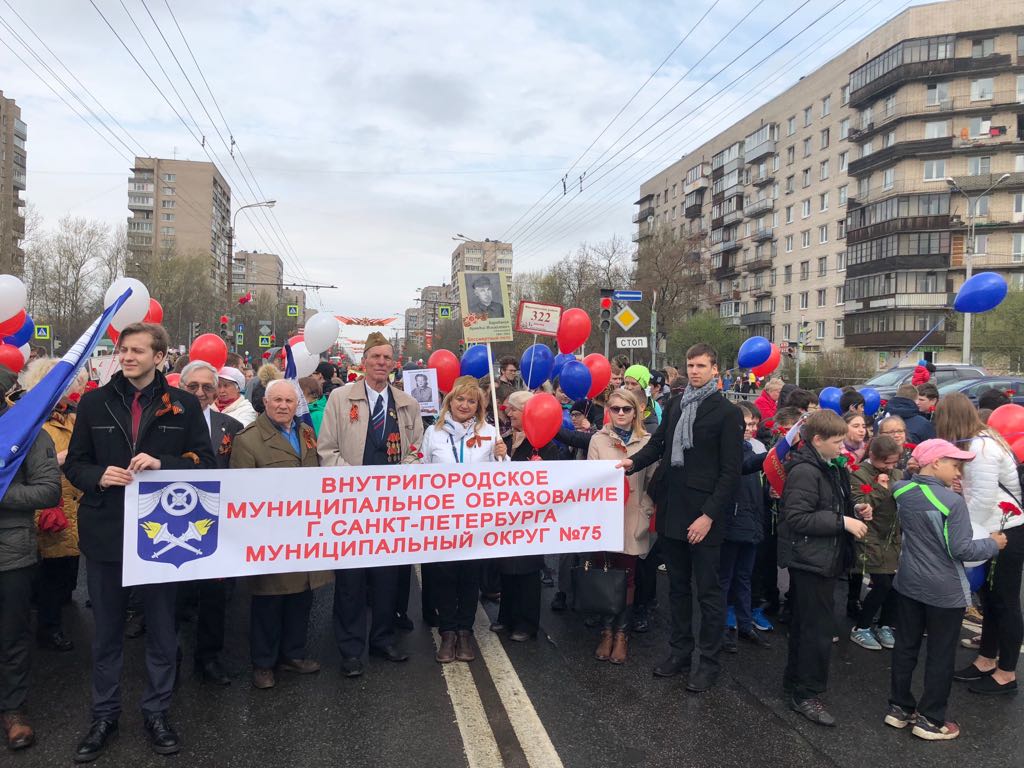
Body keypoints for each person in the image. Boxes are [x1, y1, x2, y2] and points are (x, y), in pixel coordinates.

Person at [64, 323, 215, 761]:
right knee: (108, 632)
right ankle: (104, 716)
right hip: (106, 530)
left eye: (137, 350)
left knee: (162, 630)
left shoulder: (183, 404)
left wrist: (163, 463)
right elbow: (75, 464)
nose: (128, 356)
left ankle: (157, 711)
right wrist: (99, 476)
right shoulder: (94, 402)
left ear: (159, 357)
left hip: (164, 535)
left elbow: (206, 463)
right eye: (124, 349)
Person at [618, 343, 744, 693]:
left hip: (704, 518)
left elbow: (731, 472)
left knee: (708, 593)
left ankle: (708, 662)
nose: (694, 371)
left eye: (701, 365)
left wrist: (708, 516)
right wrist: (631, 464)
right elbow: (658, 444)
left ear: (715, 369)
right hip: (673, 511)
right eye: (690, 365)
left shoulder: (726, 412)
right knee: (677, 588)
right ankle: (680, 652)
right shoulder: (676, 404)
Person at [317, 332, 423, 677]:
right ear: (364, 361)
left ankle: (382, 639)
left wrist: (400, 477)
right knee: (350, 581)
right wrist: (357, 482)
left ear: (393, 364)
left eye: (386, 357)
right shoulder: (340, 398)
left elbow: (417, 450)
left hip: (392, 505)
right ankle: (350, 650)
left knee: (387, 577)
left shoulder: (407, 403)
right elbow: (327, 450)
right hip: (352, 504)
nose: (381, 362)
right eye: (375, 356)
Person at [886, 439, 1004, 740]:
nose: (958, 472)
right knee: (940, 654)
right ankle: (930, 719)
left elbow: (904, 482)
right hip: (944, 590)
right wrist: (993, 543)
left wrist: (912, 470)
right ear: (936, 462)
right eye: (954, 465)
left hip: (908, 583)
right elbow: (962, 549)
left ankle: (899, 708)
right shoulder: (952, 502)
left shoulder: (901, 490)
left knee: (905, 646)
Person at [230, 379, 331, 690]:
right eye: (277, 400)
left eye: (289, 401)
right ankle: (263, 664)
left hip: (305, 533)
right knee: (269, 602)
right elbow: (241, 493)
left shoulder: (306, 432)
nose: (283, 406)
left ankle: (292, 654)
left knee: (301, 598)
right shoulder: (248, 440)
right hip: (270, 535)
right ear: (265, 402)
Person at [778, 409, 869, 726]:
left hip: (823, 558)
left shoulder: (831, 465)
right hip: (811, 561)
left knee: (809, 627)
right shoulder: (806, 471)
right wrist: (843, 522)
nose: (843, 447)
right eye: (837, 441)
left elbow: (835, 502)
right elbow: (797, 517)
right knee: (815, 631)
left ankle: (796, 685)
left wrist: (855, 508)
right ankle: (806, 693)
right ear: (817, 440)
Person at [935, 394, 1024, 695]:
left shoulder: (980, 447)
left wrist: (963, 535)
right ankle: (987, 659)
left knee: (1005, 603)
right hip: (993, 528)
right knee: (990, 600)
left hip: (1003, 531)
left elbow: (983, 503)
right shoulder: (982, 440)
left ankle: (1006, 673)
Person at [420, 377, 507, 663]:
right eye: (460, 399)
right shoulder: (433, 432)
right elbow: (422, 471)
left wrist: (503, 457)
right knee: (444, 576)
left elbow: (505, 478)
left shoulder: (490, 433)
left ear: (479, 406)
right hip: (442, 519)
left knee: (470, 577)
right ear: (450, 401)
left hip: (475, 520)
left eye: (472, 401)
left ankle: (464, 632)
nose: (465, 405)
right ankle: (447, 633)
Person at [0, 364, 61, 751]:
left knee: (12, 636)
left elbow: (48, 491)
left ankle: (14, 709)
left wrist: (2, 492)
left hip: (10, 554)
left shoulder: (28, 434)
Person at [178, 360, 244, 686]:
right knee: (174, 597)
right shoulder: (163, 423)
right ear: (182, 388)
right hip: (174, 522)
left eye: (207, 387)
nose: (200, 393)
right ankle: (170, 660)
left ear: (217, 390)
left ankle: (209, 658)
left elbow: (241, 472)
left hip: (217, 522)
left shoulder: (230, 427)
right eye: (193, 386)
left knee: (215, 596)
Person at [19, 359, 88, 654]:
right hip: (49, 504)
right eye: (73, 384)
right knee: (48, 570)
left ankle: (56, 614)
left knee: (63, 567)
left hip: (73, 501)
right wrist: (59, 459)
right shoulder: (31, 420)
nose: (77, 390)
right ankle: (49, 630)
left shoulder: (70, 416)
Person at [585, 389, 656, 664]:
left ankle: (622, 634)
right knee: (605, 572)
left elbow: (652, 481)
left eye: (627, 408)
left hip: (633, 515)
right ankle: (606, 632)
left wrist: (645, 509)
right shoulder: (598, 440)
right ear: (609, 411)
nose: (621, 413)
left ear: (636, 411)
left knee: (627, 577)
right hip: (604, 516)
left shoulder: (647, 441)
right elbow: (590, 478)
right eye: (615, 409)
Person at [494, 390, 559, 641]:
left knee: (527, 568)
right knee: (506, 566)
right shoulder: (505, 440)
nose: (508, 413)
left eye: (513, 409)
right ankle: (506, 616)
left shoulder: (545, 445)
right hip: (506, 515)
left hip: (531, 518)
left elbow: (556, 478)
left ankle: (527, 623)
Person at [721, 401, 772, 653]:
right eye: (746, 424)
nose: (751, 429)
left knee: (744, 576)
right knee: (725, 578)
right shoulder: (729, 451)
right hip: (732, 522)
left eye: (754, 424)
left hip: (751, 521)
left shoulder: (753, 448)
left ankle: (744, 623)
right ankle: (722, 626)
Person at [849, 436, 903, 651]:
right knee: (882, 584)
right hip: (868, 533)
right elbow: (859, 504)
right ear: (872, 455)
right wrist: (879, 488)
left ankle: (885, 625)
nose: (890, 467)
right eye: (885, 462)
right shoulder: (859, 473)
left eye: (894, 462)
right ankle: (861, 627)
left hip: (892, 534)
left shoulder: (898, 473)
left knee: (896, 584)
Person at [623, 364, 661, 431]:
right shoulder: (619, 402)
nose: (629, 387)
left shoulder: (655, 406)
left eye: (634, 384)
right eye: (626, 383)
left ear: (643, 387)